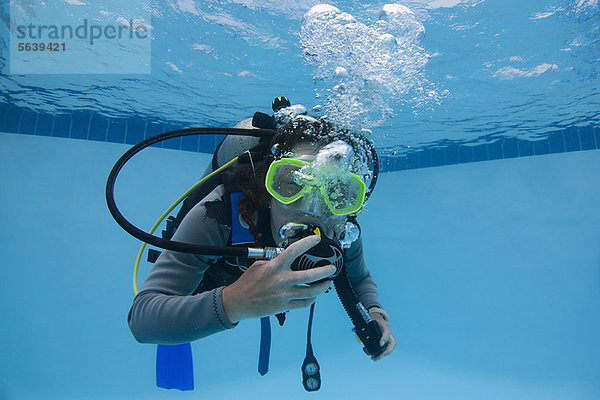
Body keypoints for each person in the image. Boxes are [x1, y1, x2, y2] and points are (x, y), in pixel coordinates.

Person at [127, 113, 396, 363]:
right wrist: (233, 302)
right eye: (292, 184)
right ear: (268, 189)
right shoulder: (221, 214)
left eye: (336, 192)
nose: (313, 210)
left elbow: (358, 277)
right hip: (211, 285)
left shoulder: (341, 225)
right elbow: (142, 319)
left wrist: (375, 313)